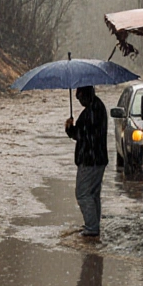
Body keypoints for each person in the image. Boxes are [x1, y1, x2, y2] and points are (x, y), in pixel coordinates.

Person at [64, 85, 108, 238]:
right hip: (98, 158)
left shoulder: (93, 111)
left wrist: (70, 129)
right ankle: (94, 224)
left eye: (80, 96)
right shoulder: (97, 107)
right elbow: (86, 134)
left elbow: (84, 136)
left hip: (90, 160)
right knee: (93, 194)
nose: (79, 100)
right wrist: (74, 130)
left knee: (82, 193)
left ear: (85, 94)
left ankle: (91, 228)